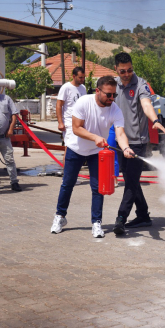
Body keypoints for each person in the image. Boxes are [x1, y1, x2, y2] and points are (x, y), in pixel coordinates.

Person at [50, 76, 134, 237]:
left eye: (114, 95)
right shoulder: (83, 102)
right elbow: (76, 128)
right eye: (108, 95)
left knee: (97, 188)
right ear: (98, 91)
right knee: (67, 184)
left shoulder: (115, 109)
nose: (111, 98)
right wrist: (95, 137)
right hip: (76, 149)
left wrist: (126, 147)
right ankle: (60, 216)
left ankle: (96, 222)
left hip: (96, 153)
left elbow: (120, 133)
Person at [112, 52, 165, 236]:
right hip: (121, 141)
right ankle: (143, 215)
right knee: (130, 180)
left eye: (129, 70)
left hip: (137, 142)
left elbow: (146, 105)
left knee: (130, 183)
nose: (127, 74)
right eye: (123, 71)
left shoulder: (140, 84)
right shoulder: (113, 84)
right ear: (116, 69)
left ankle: (121, 218)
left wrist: (154, 120)